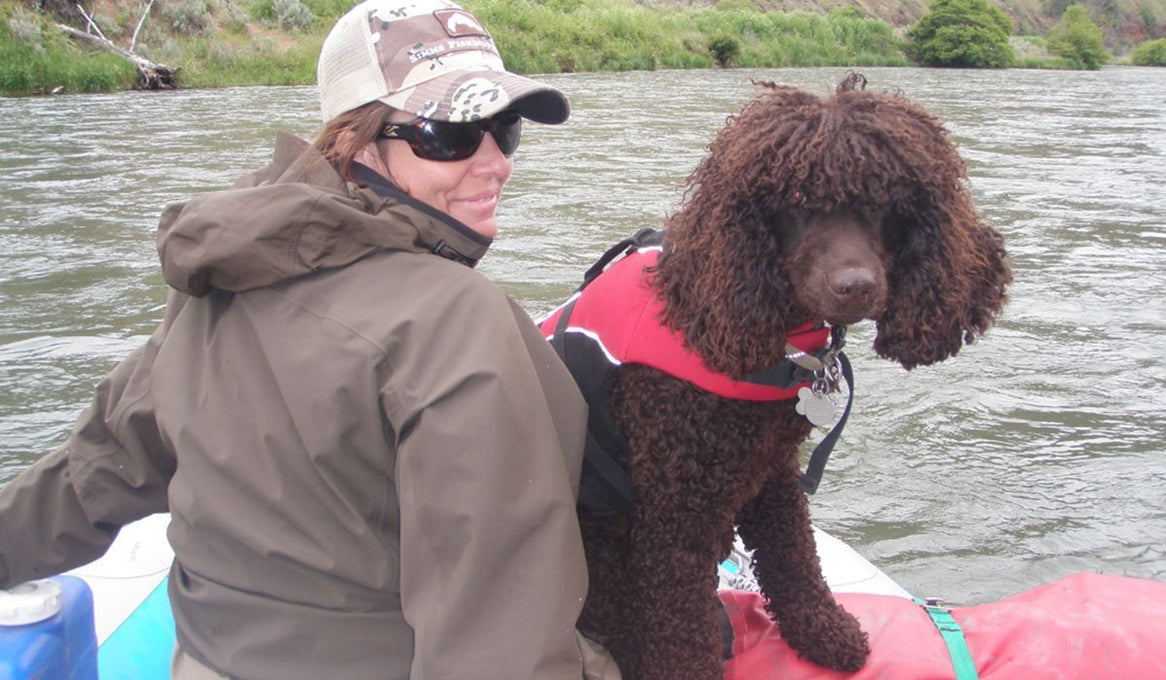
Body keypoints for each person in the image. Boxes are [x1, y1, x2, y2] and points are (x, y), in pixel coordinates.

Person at [0, 0, 620, 677]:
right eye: (451, 135)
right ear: (357, 140)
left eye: (505, 130)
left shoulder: (227, 265)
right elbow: (504, 644)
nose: (495, 163)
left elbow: (100, 467)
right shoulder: (462, 323)